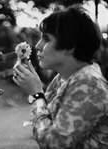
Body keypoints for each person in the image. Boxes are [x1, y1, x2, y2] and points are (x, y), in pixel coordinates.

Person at [13, 5, 108, 149]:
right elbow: (48, 118)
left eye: (46, 39)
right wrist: (34, 85)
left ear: (70, 47)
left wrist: (36, 95)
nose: (38, 45)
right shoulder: (65, 77)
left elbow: (55, 143)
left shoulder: (88, 83)